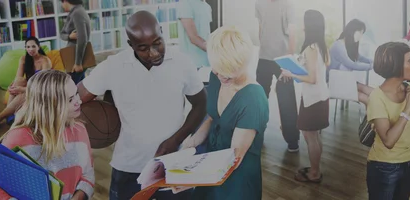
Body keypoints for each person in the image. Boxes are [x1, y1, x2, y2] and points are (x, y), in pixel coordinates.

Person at [77, 11, 207, 199]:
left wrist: (176, 140)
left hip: (172, 164)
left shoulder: (182, 62)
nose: (153, 53)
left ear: (162, 32)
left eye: (157, 43)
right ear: (131, 45)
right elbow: (75, 97)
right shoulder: (113, 66)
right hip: (128, 166)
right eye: (143, 48)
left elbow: (201, 104)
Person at [175, 26, 269, 200]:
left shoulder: (253, 99)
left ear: (242, 64)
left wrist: (194, 178)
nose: (220, 75)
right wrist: (193, 141)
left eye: (227, 72)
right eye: (217, 68)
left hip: (235, 178)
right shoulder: (216, 76)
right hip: (209, 165)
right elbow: (212, 117)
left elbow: (234, 157)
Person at [0, 70, 94, 200]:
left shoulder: (79, 129)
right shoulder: (18, 138)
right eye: (69, 99)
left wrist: (80, 196)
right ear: (47, 105)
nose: (78, 101)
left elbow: (88, 174)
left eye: (76, 94)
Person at [365, 42, 410, 200]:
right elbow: (388, 141)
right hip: (385, 166)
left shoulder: (409, 89)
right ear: (395, 66)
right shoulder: (377, 97)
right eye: (409, 60)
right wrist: (408, 108)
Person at [280, 9, 330, 183]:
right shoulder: (321, 46)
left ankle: (314, 173)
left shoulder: (311, 48)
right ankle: (315, 168)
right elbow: (315, 70)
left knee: (310, 136)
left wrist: (291, 73)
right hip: (320, 97)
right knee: (314, 136)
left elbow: (311, 78)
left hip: (313, 99)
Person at [255, 0, 300, 152]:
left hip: (283, 60)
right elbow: (261, 27)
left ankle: (292, 140)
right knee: (259, 100)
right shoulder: (259, 3)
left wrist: (288, 60)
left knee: (287, 101)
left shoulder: (288, 4)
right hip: (264, 58)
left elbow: (293, 32)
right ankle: (257, 136)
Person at [0, 37, 52, 127]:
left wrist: (23, 89)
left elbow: (42, 84)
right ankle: (10, 115)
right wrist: (13, 86)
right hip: (30, 85)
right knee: (18, 82)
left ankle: (1, 116)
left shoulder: (45, 61)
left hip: (42, 88)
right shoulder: (24, 59)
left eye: (33, 46)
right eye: (28, 47)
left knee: (25, 94)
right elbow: (18, 77)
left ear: (38, 47)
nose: (30, 49)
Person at [328, 19, 374, 105]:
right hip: (337, 85)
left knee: (374, 94)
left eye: (362, 33)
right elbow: (352, 64)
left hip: (345, 82)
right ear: (352, 30)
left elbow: (359, 57)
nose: (361, 36)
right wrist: (370, 66)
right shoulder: (338, 46)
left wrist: (373, 61)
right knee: (368, 99)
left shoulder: (348, 45)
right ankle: (371, 118)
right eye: (360, 32)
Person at [60, 0, 90, 84]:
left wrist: (78, 63)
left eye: (62, 3)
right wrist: (69, 36)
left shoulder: (78, 13)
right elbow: (61, 34)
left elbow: (82, 39)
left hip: (76, 58)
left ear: (65, 1)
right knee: (80, 85)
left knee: (70, 85)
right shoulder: (73, 13)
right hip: (71, 55)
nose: (62, 6)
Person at [177, 0, 212, 69]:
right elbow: (193, 38)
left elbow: (206, 33)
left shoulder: (207, 6)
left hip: (207, 63)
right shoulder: (185, 3)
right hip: (192, 64)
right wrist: (216, 50)